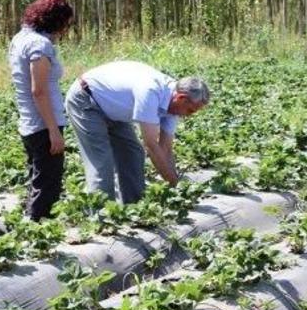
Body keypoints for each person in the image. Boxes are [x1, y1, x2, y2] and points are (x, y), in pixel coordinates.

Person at [65, 61, 209, 204]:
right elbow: (151, 145)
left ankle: (134, 207)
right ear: (181, 98)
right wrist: (174, 183)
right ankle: (100, 213)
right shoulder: (151, 91)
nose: (189, 115)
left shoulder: (174, 104)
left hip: (112, 107)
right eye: (190, 110)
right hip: (86, 98)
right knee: (102, 161)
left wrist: (176, 185)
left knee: (133, 152)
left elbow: (165, 149)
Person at [8, 0, 73, 220]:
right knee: (47, 187)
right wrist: (53, 130)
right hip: (43, 124)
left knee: (38, 180)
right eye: (65, 24)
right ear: (56, 20)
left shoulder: (20, 38)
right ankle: (37, 230)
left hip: (29, 122)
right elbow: (39, 90)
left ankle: (31, 225)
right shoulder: (40, 45)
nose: (65, 30)